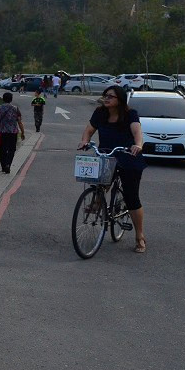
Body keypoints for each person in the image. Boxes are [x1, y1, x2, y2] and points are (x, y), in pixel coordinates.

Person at [77, 85, 147, 253]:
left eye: (110, 96)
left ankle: (139, 236)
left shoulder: (130, 114)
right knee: (100, 182)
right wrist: (85, 141)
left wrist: (138, 145)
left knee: (132, 198)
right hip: (107, 154)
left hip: (128, 156)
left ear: (120, 100)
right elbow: (89, 130)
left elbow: (137, 132)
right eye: (105, 96)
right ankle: (98, 201)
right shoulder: (100, 113)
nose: (106, 98)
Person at [0, 91, 25, 174]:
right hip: (13, 132)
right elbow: (19, 121)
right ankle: (8, 164)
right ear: (11, 99)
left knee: (2, 149)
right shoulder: (15, 108)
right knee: (12, 149)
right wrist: (22, 132)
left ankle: (3, 166)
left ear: (3, 99)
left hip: (1, 132)